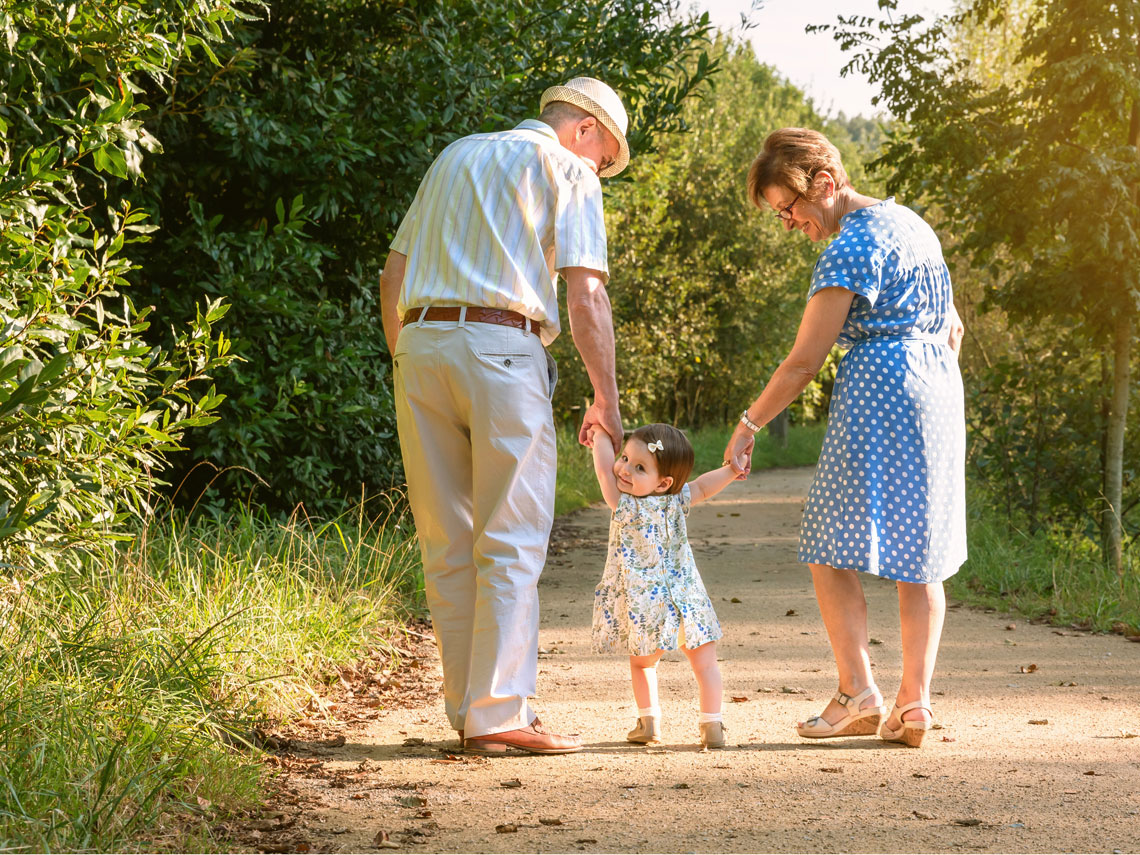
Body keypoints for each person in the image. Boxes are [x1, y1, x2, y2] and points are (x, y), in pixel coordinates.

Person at [379, 77, 631, 755]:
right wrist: (605, 399)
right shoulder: (566, 170)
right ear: (584, 131)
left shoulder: (455, 155)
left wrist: (406, 360)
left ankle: (468, 708)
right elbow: (586, 294)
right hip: (502, 345)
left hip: (422, 344)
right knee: (511, 536)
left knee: (447, 539)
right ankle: (498, 712)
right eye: (604, 156)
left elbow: (392, 272)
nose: (600, 168)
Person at [723, 128, 966, 748]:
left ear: (825, 185)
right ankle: (914, 704)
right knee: (922, 552)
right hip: (938, 390)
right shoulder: (911, 223)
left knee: (828, 544)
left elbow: (804, 362)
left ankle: (856, 691)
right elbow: (954, 327)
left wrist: (747, 426)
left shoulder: (848, 249)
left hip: (879, 392)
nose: (787, 223)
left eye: (789, 208)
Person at [589, 423, 740, 749]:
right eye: (625, 458)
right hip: (689, 600)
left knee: (643, 663)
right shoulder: (675, 500)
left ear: (664, 483)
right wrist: (731, 470)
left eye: (639, 467)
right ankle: (712, 726)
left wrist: (599, 435)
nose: (625, 469)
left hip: (650, 607)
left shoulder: (625, 505)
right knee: (706, 665)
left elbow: (603, 472)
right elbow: (702, 487)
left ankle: (649, 722)